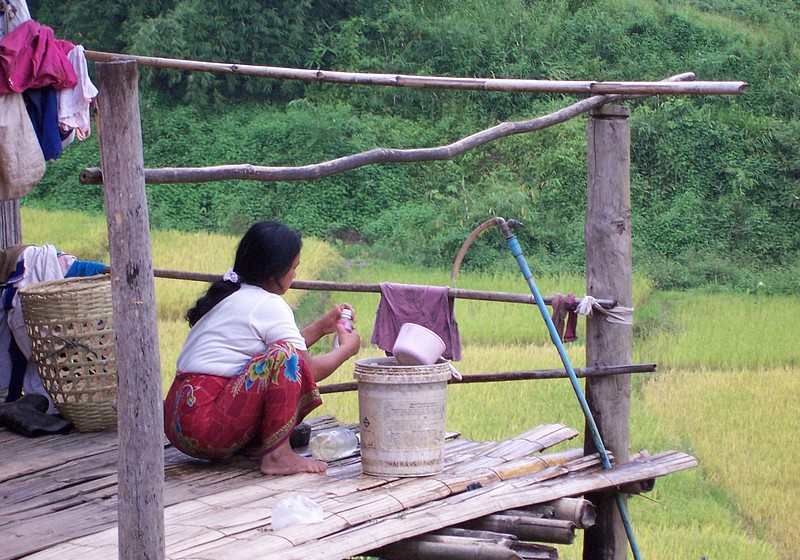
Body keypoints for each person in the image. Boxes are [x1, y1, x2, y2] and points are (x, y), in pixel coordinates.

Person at [163, 221, 361, 475]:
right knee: (284, 356)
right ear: (274, 272)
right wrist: (346, 350)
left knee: (281, 355)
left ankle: (262, 447)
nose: (295, 275)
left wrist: (321, 327)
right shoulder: (269, 304)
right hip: (206, 426)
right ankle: (278, 455)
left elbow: (278, 356)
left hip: (179, 422)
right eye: (293, 268)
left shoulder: (230, 295)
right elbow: (305, 367)